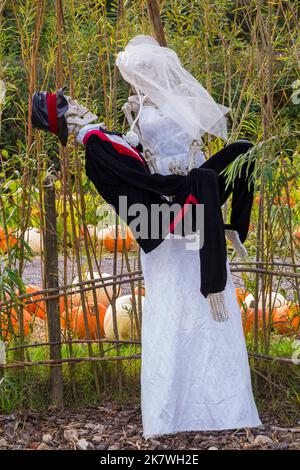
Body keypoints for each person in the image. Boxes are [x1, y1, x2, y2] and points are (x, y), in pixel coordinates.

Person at [31, 35, 262, 437]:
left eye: (141, 73)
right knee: (172, 298)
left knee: (241, 156)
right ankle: (171, 409)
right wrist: (116, 134)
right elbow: (133, 161)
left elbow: (173, 152)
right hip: (163, 213)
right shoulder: (132, 115)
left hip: (187, 205)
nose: (136, 81)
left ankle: (221, 404)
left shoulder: (170, 107)